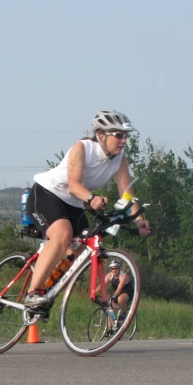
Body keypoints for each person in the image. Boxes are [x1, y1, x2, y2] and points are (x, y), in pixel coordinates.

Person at [24, 110, 152, 308]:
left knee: (84, 247)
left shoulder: (120, 160)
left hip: (74, 204)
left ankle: (47, 291)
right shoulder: (83, 148)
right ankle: (33, 293)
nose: (124, 140)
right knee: (63, 234)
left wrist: (138, 219)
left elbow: (126, 194)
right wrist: (91, 198)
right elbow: (74, 185)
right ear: (101, 134)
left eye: (126, 136)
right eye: (118, 135)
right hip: (47, 194)